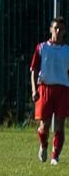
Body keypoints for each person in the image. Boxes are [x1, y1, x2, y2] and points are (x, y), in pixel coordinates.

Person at [30, 16, 69, 165]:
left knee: (60, 124)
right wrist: (34, 90)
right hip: (45, 88)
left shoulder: (67, 50)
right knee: (44, 125)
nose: (58, 31)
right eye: (55, 28)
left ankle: (55, 156)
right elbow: (34, 70)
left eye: (61, 28)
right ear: (51, 29)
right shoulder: (42, 48)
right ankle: (43, 145)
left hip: (63, 90)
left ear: (64, 31)